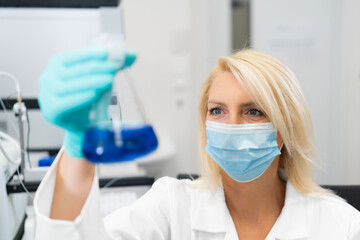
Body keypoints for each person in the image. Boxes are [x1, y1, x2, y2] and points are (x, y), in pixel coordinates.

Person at [34, 47, 360, 240]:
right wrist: (79, 149)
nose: (230, 125)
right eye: (217, 110)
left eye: (253, 111)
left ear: (286, 128)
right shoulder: (171, 206)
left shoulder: (340, 225)